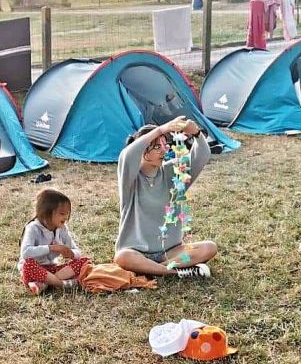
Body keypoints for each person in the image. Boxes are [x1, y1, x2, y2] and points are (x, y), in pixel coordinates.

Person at [113, 116, 218, 279]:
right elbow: (127, 154)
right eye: (157, 147)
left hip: (170, 253)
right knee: (123, 257)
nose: (164, 150)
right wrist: (161, 129)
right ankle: (175, 271)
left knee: (208, 248)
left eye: (165, 145)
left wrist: (196, 133)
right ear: (142, 150)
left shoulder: (173, 172)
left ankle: (154, 269)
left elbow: (202, 155)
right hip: (136, 252)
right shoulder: (130, 178)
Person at [18, 188, 93, 295]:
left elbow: (77, 252)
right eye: (62, 213)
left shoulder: (62, 229)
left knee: (85, 261)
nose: (66, 217)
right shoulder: (33, 228)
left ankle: (45, 284)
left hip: (52, 270)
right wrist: (52, 248)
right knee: (28, 264)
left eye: (67, 213)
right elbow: (25, 253)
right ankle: (63, 284)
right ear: (46, 213)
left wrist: (71, 253)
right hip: (34, 270)